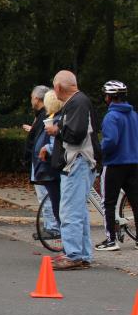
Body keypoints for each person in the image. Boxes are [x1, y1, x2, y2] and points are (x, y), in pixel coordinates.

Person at [47, 70, 101, 270]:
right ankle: (82, 254)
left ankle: (74, 254)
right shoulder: (81, 101)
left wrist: (57, 130)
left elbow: (76, 134)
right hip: (82, 162)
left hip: (77, 162)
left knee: (69, 210)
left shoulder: (76, 103)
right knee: (79, 211)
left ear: (58, 87)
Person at [96, 81, 138, 252]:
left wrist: (100, 151)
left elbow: (110, 141)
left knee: (108, 202)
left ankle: (111, 240)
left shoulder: (111, 117)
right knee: (135, 201)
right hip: (134, 163)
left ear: (109, 97)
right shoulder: (134, 115)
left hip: (114, 164)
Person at [23, 85, 57, 238]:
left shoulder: (45, 117)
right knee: (45, 195)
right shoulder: (44, 116)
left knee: (45, 195)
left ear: (37, 99)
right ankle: (50, 225)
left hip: (42, 162)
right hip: (40, 160)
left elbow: (44, 140)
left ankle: (52, 227)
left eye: (32, 98)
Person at [32, 90, 62, 234]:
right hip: (49, 166)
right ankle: (55, 227)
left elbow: (54, 143)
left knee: (56, 202)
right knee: (54, 201)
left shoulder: (56, 119)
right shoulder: (53, 117)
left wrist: (46, 148)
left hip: (51, 167)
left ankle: (55, 228)